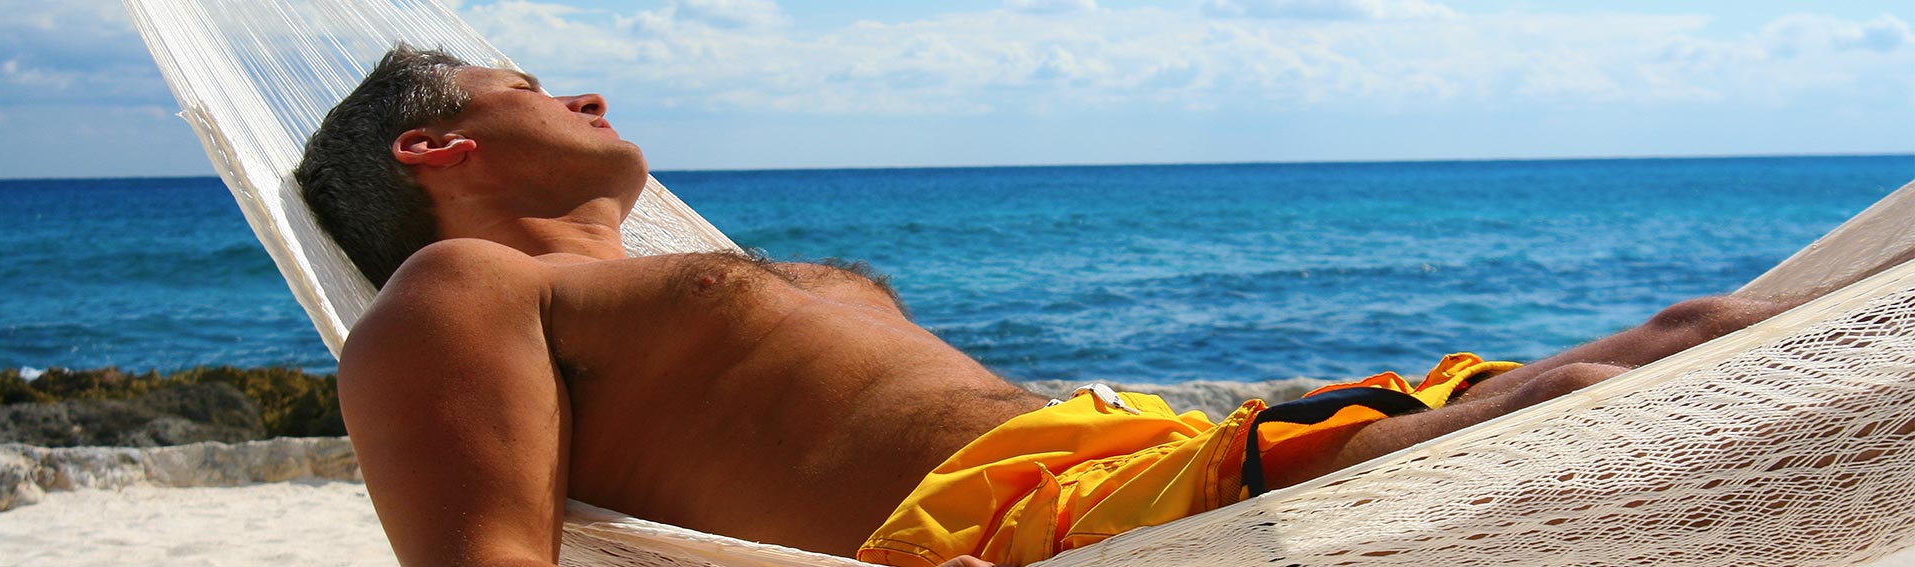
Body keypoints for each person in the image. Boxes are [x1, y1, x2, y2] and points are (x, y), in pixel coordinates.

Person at [298, 46, 1815, 567]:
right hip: (1038, 529)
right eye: (533, 88)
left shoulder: (635, 278)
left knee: (1698, 340)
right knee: (1595, 414)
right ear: (437, 149)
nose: (587, 92)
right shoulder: (464, 286)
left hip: (1149, 465)